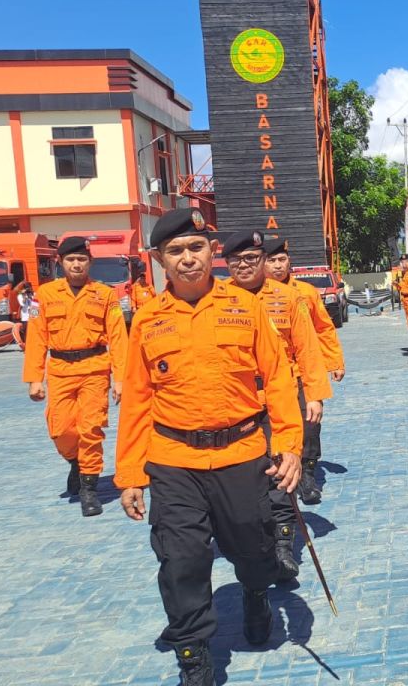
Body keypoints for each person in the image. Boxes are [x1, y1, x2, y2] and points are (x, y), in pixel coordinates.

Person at [115, 208, 302, 686]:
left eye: (195, 248)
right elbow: (136, 399)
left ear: (210, 251)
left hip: (242, 453)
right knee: (182, 559)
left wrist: (289, 445)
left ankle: (256, 592)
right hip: (174, 460)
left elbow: (279, 379)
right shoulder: (148, 320)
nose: (187, 259)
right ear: (160, 259)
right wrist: (130, 473)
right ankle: (194, 657)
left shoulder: (246, 307)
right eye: (175, 251)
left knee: (253, 545)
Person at [223, 229, 331, 581]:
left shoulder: (287, 298)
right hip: (235, 399)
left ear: (263, 261)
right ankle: (254, 540)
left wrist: (314, 394)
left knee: (281, 467)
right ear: (227, 264)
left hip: (281, 391)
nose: (245, 265)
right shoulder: (219, 299)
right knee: (244, 475)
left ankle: (284, 546)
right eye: (237, 260)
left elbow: (307, 347)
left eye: (252, 258)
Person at [23, 236, 128, 515]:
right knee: (61, 430)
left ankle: (89, 489)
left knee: (90, 429)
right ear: (60, 263)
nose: (77, 264)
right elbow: (36, 337)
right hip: (59, 371)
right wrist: (35, 378)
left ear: (89, 262)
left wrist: (121, 378)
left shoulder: (105, 295)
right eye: (71, 259)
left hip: (95, 368)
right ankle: (76, 462)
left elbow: (118, 337)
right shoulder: (44, 296)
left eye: (82, 259)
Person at [262, 237, 346, 504]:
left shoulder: (305, 292)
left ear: (290, 261)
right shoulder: (255, 296)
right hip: (270, 376)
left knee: (310, 426)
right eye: (272, 260)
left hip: (301, 371)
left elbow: (323, 328)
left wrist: (334, 361)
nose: (278, 266)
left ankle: (307, 473)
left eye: (282, 260)